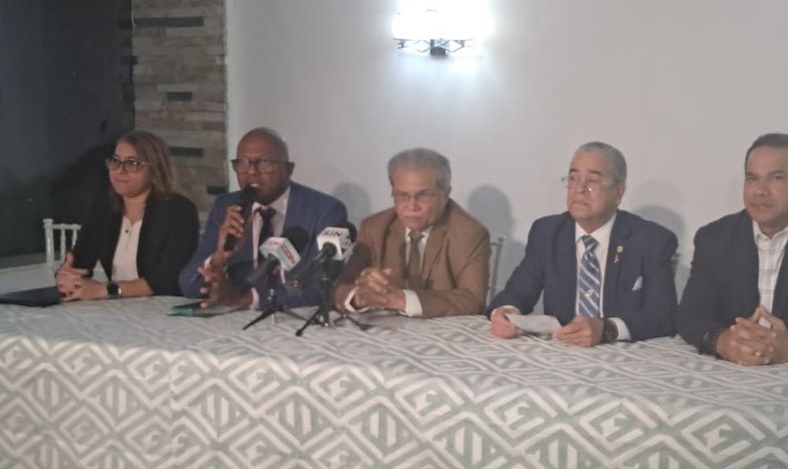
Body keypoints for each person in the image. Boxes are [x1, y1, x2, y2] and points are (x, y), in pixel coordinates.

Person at [676, 133, 788, 365]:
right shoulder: (714, 238)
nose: (760, 191)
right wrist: (722, 342)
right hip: (730, 368)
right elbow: (691, 316)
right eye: (752, 178)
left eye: (776, 178)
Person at [489, 141, 677, 346]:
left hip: (624, 353)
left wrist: (607, 329)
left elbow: (664, 315)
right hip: (562, 350)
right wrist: (505, 311)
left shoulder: (650, 240)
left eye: (592, 181)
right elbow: (517, 293)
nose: (579, 189)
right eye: (573, 178)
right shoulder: (548, 232)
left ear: (618, 192)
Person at [178, 127, 347, 309]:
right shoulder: (227, 206)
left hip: (292, 319)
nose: (251, 171)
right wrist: (220, 258)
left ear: (288, 169)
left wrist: (246, 299)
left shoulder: (325, 210)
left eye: (264, 162)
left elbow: (323, 286)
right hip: (234, 320)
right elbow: (188, 285)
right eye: (242, 162)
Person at [333, 148, 490, 317]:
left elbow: (473, 299)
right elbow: (339, 288)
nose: (411, 206)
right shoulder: (375, 228)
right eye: (402, 195)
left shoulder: (469, 233)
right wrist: (359, 296)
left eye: (423, 196)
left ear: (445, 194)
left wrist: (402, 300)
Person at [56, 130, 198, 301]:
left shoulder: (179, 211)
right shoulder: (104, 207)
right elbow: (79, 262)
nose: (120, 171)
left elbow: (167, 280)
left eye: (132, 164)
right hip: (118, 308)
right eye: (115, 162)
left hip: (164, 309)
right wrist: (67, 276)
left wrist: (106, 290)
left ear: (155, 170)